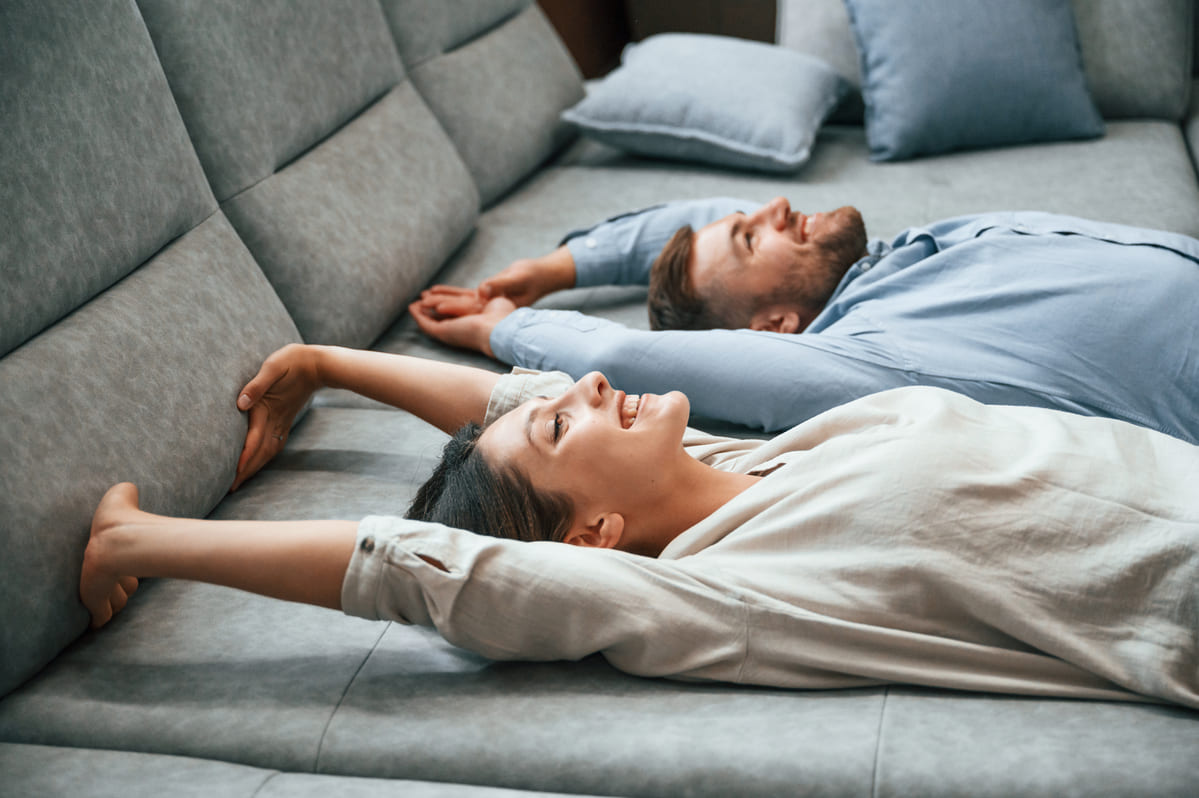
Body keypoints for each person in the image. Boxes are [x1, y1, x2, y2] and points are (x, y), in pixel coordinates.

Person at [81, 343, 1199, 709]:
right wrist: (140, 541)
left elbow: (512, 405)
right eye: (564, 427)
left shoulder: (744, 466)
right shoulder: (731, 590)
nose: (587, 384)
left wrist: (330, 363)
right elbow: (443, 570)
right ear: (592, 538)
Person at [409, 198, 1199, 443]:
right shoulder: (862, 357)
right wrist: (497, 328)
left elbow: (701, 215)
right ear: (775, 327)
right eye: (752, 239)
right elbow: (626, 354)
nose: (776, 208)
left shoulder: (886, 258)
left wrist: (557, 266)